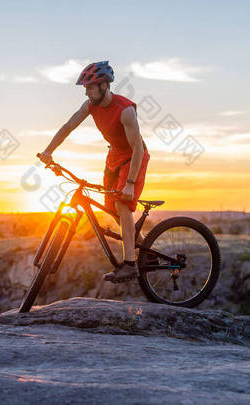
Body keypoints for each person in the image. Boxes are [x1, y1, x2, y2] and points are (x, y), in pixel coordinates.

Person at [39, 61, 150, 283]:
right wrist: (48, 151)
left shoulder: (125, 110)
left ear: (104, 86)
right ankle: (146, 249)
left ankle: (129, 264)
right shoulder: (90, 106)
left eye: (90, 87)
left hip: (134, 157)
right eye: (86, 88)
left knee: (122, 203)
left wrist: (129, 183)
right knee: (112, 208)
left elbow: (137, 147)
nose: (87, 92)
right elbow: (68, 126)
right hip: (114, 157)